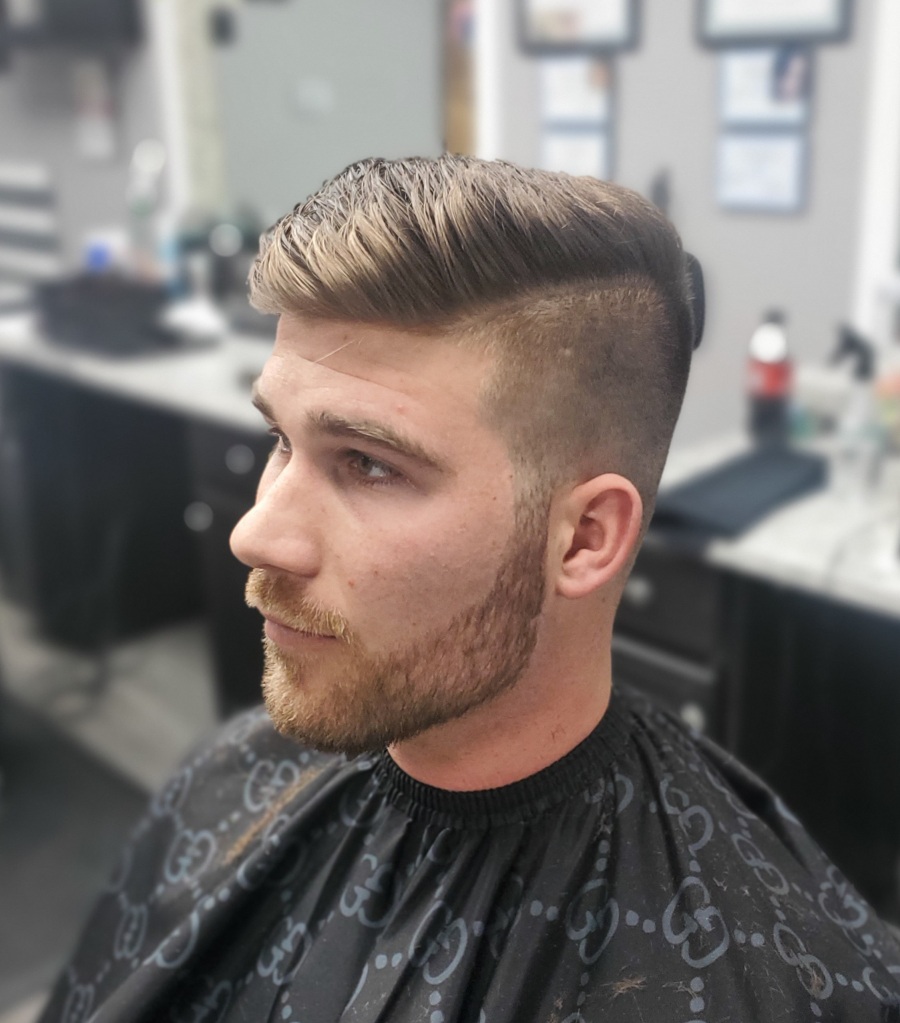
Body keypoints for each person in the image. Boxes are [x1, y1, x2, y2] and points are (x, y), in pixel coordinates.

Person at [39, 156, 900, 1022]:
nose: (255, 533)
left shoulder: (765, 979)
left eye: (368, 463)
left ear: (585, 538)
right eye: (281, 439)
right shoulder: (227, 779)